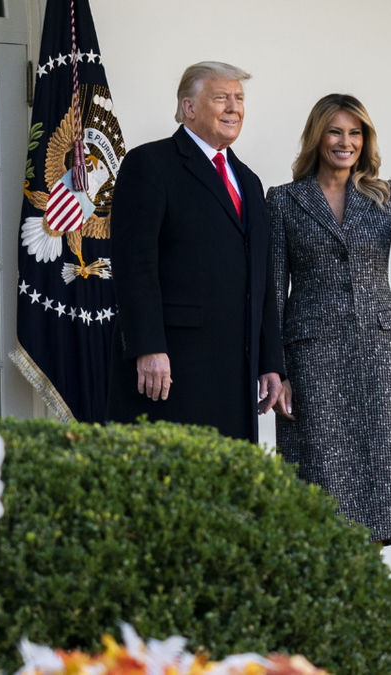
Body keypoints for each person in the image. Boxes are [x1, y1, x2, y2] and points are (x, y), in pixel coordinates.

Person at [268, 94, 391, 545]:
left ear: (365, 140)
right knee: (320, 487)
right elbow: (274, 291)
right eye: (336, 131)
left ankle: (364, 595)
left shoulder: (382, 195)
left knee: (382, 487)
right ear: (318, 136)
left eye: (355, 133)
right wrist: (278, 370)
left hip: (380, 355)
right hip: (314, 359)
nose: (345, 141)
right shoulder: (283, 201)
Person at [107, 61, 283, 442]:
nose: (234, 107)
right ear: (189, 107)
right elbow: (134, 265)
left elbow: (262, 276)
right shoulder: (149, 164)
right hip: (172, 369)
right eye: (221, 98)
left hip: (236, 371)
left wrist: (271, 361)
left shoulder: (249, 181)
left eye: (239, 98)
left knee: (228, 488)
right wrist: (148, 346)